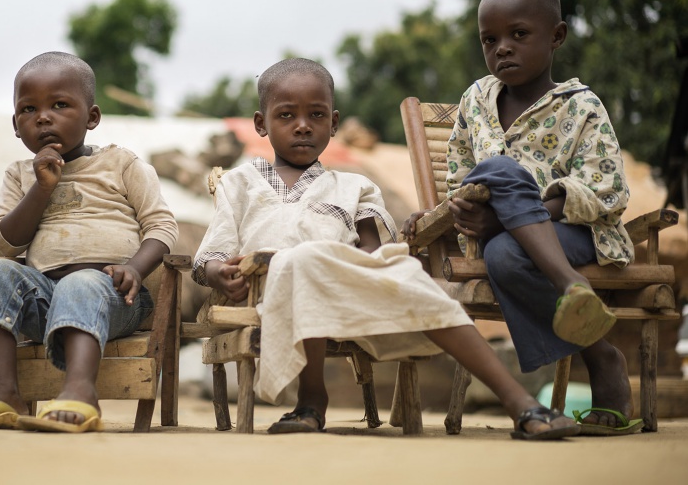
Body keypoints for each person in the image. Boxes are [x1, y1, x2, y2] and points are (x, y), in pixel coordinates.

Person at [194, 57, 577, 439]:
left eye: (316, 114)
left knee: (409, 275)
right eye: (286, 115)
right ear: (261, 124)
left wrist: (388, 267)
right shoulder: (239, 183)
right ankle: (312, 399)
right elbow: (212, 253)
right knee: (301, 258)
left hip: (346, 286)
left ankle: (522, 404)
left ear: (334, 122)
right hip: (269, 287)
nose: (302, 126)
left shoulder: (354, 186)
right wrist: (218, 274)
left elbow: (371, 254)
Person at [402, 0, 642, 436]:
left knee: (505, 204)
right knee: (501, 243)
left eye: (519, 34)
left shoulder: (581, 106)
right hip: (497, 236)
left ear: (557, 36)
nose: (503, 49)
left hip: (576, 234)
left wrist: (520, 211)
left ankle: (593, 339)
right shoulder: (476, 101)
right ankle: (600, 348)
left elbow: (608, 189)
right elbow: (460, 176)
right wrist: (460, 211)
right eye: (490, 40)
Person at [0, 51, 178, 432]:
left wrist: (134, 268)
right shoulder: (19, 175)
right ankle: (4, 393)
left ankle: (80, 391)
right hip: (45, 297)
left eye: (60, 105)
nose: (43, 117)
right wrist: (42, 188)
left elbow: (162, 227)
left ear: (92, 117)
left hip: (116, 297)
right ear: (17, 126)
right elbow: (7, 242)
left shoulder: (121, 164)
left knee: (81, 283)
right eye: (28, 109)